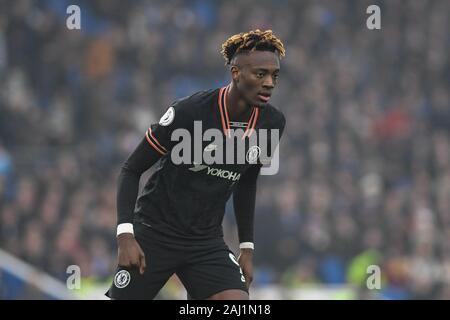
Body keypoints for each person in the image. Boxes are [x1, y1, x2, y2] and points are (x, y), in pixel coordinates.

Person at [106, 29, 286, 300]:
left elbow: (247, 181)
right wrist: (125, 236)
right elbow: (131, 169)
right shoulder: (190, 112)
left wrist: (246, 248)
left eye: (274, 75)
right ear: (236, 73)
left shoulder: (272, 123)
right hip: (156, 233)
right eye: (260, 74)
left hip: (205, 241)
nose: (270, 82)